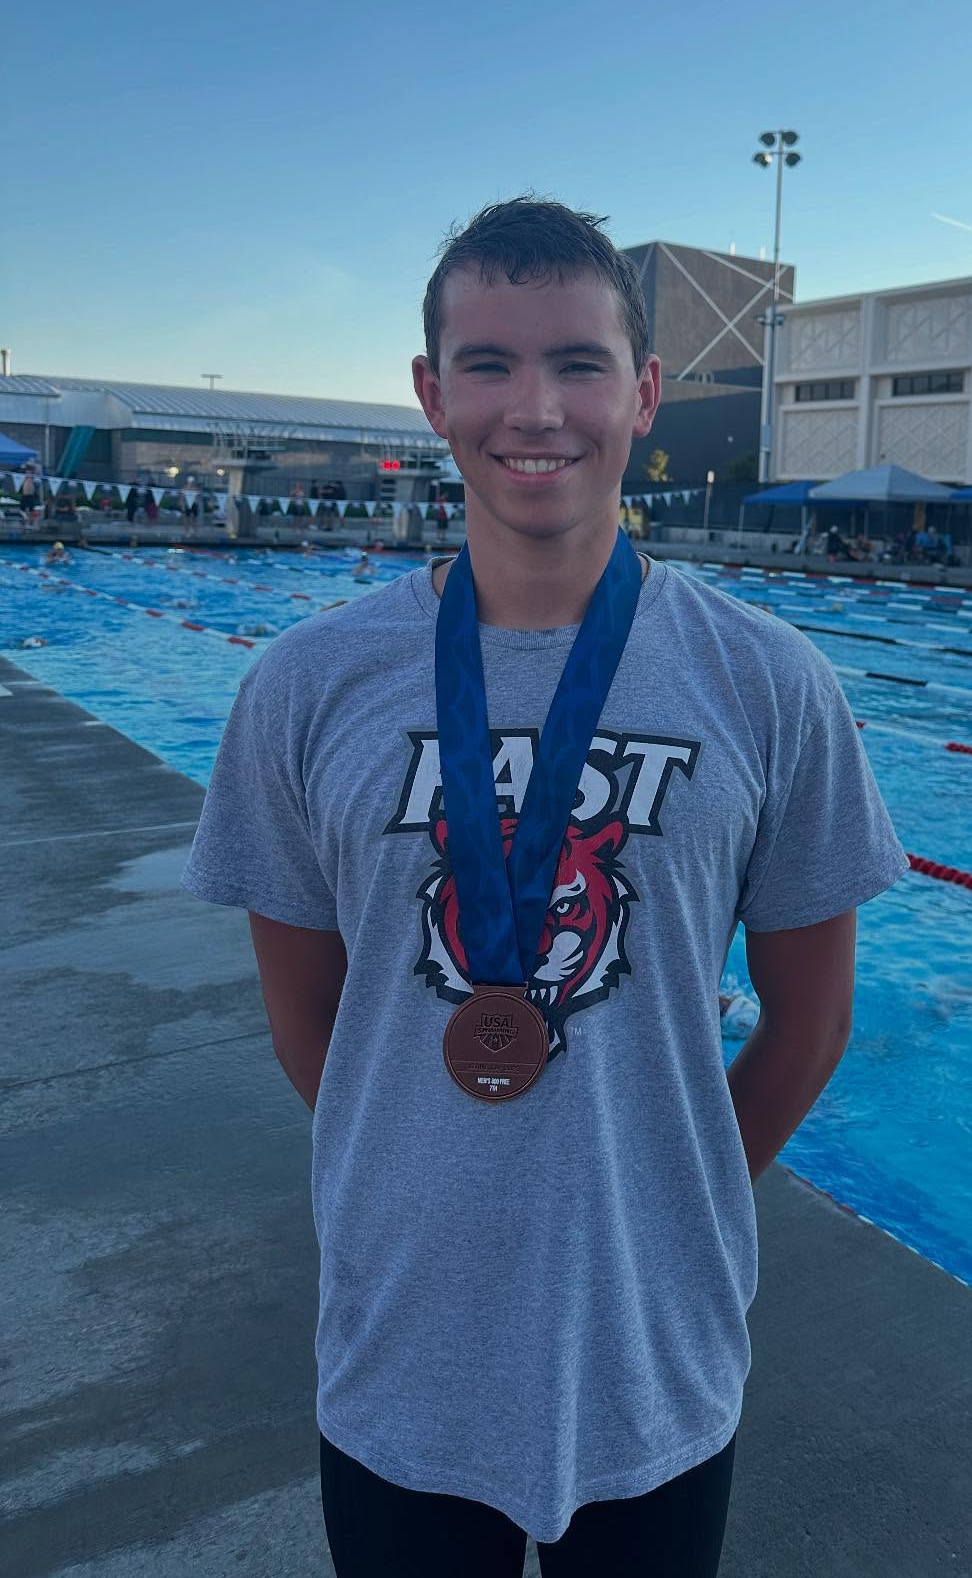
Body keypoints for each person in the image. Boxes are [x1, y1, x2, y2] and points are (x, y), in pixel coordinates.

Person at [181, 196, 908, 1576]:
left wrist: (674, 1194)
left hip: (656, 1353)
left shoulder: (769, 682)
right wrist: (427, 1173)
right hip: (400, 1352)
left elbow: (812, 1023)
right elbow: (308, 1024)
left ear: (643, 395)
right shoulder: (306, 686)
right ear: (432, 394)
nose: (536, 408)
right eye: (491, 363)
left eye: (579, 363)